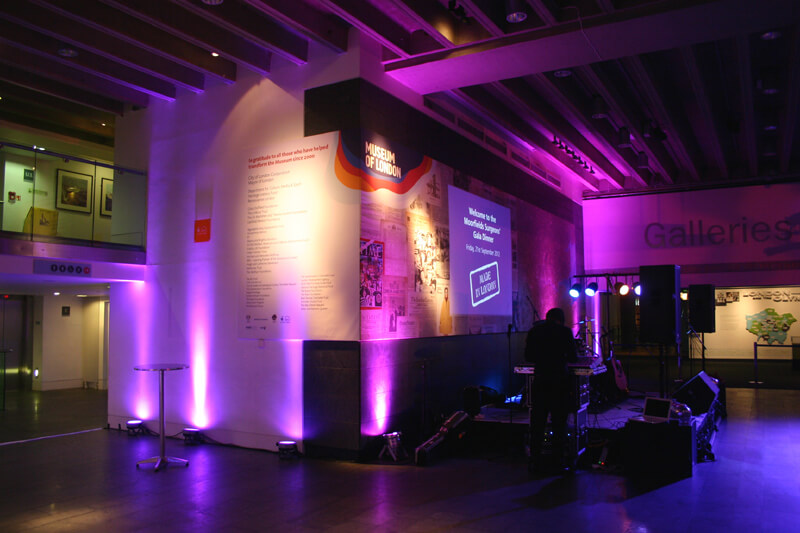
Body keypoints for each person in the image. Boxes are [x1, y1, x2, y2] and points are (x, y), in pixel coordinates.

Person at [524, 307, 578, 474]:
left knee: (538, 424)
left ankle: (535, 461)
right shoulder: (565, 332)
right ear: (561, 319)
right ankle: (558, 462)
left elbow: (528, 356)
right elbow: (573, 357)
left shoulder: (534, 331)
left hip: (541, 381)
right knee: (559, 424)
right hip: (559, 383)